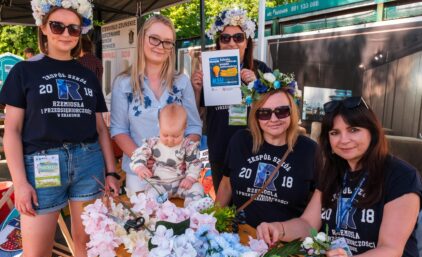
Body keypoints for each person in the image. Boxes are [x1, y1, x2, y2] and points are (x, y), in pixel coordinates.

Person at [0, 2, 120, 257]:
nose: (65, 34)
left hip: (88, 161)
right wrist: (19, 183)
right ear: (43, 27)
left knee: (88, 249)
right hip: (42, 163)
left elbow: (101, 128)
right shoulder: (24, 71)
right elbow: (12, 131)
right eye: (57, 26)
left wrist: (112, 171)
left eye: (73, 29)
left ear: (80, 33)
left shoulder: (87, 76)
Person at [257, 97, 422, 257]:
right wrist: (277, 228)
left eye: (353, 130)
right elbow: (308, 224)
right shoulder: (332, 171)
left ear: (372, 132)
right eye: (335, 133)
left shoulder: (401, 175)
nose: (343, 140)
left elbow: (390, 250)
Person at [110, 14, 202, 194]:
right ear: (142, 38)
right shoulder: (123, 83)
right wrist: (142, 157)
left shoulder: (181, 82)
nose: (160, 46)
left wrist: (178, 154)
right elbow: (118, 130)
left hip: (178, 177)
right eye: (154, 39)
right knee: (145, 221)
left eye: (167, 42)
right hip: (140, 176)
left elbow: (194, 126)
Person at [215, 74, 319, 228]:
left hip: (284, 244)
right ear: (255, 116)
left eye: (282, 111)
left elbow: (314, 204)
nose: (273, 119)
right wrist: (213, 221)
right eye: (264, 113)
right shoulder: (240, 141)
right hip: (240, 236)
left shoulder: (309, 150)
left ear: (292, 112)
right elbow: (226, 185)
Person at [191, 8, 272, 192]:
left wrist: (257, 85)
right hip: (219, 146)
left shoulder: (260, 69)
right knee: (224, 205)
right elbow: (198, 115)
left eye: (238, 37)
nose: (231, 43)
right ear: (219, 42)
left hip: (254, 148)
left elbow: (278, 110)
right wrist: (196, 90)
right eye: (225, 38)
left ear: (247, 41)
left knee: (250, 204)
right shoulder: (208, 69)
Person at [130, 103, 203, 206]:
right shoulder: (153, 143)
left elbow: (194, 163)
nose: (170, 140)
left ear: (184, 128)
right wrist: (140, 167)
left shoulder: (187, 146)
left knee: (197, 188)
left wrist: (190, 178)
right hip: (159, 184)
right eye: (165, 135)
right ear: (159, 125)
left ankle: (193, 207)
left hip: (181, 184)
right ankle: (156, 209)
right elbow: (139, 154)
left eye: (176, 136)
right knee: (150, 194)